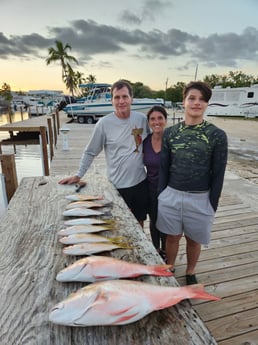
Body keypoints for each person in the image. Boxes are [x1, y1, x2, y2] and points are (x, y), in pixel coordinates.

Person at [156, 81, 228, 285]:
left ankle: (190, 270)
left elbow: (218, 173)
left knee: (193, 240)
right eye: (192, 98)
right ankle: (169, 267)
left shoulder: (217, 135)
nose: (197, 103)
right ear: (184, 102)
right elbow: (164, 167)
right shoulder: (170, 133)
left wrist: (211, 203)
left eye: (202, 99)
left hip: (200, 197)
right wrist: (162, 194)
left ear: (207, 104)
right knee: (171, 237)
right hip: (171, 194)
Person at [59, 80, 150, 227]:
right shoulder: (104, 124)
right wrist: (78, 175)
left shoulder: (142, 119)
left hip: (140, 183)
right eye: (117, 97)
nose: (121, 101)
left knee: (139, 222)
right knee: (118, 223)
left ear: (131, 98)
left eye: (125, 97)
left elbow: (155, 143)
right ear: (111, 100)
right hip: (117, 185)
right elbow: (90, 152)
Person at [143, 105, 168, 259]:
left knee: (166, 223)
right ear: (149, 122)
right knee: (153, 221)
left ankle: (166, 250)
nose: (156, 122)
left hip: (169, 190)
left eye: (160, 118)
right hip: (150, 188)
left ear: (165, 120)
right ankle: (155, 250)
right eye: (152, 119)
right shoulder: (145, 142)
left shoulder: (171, 140)